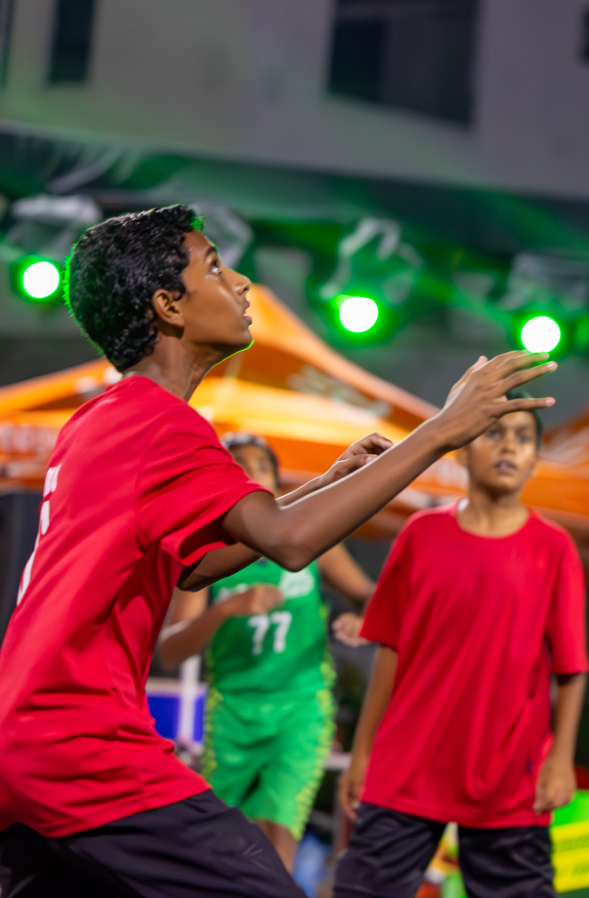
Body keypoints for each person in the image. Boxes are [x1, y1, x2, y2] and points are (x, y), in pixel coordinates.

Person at [0, 206, 555, 897]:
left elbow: (200, 560)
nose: (241, 284)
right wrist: (442, 430)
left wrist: (325, 485)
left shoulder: (103, 419)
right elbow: (288, 544)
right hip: (83, 747)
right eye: (214, 267)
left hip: (24, 742)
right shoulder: (162, 424)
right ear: (168, 305)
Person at [333, 392, 588, 898]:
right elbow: (389, 648)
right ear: (462, 450)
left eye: (523, 437)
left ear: (536, 457)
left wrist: (560, 758)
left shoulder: (554, 547)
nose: (509, 447)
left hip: (507, 770)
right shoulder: (420, 534)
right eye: (494, 433)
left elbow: (573, 667)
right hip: (407, 762)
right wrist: (362, 753)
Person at [157, 432, 378, 870]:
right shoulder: (206, 556)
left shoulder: (312, 543)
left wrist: (364, 622)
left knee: (281, 826)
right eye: (235, 464)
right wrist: (225, 611)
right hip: (234, 708)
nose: (247, 472)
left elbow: (371, 597)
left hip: (301, 705)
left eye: (258, 466)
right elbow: (170, 650)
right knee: (218, 838)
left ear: (277, 485)